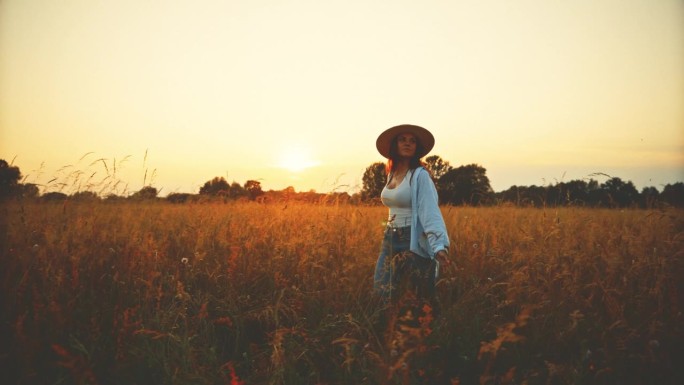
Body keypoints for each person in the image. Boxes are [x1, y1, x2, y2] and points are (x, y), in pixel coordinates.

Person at [373, 124, 451, 304]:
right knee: (381, 290)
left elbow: (430, 210)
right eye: (402, 140)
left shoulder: (420, 176)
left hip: (413, 239)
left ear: (417, 148)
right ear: (395, 145)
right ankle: (387, 327)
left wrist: (439, 245)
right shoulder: (392, 174)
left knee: (422, 295)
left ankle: (427, 329)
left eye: (412, 141)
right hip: (390, 238)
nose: (408, 144)